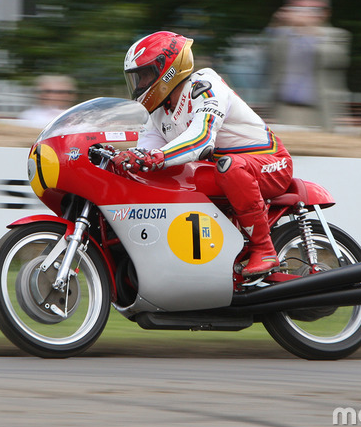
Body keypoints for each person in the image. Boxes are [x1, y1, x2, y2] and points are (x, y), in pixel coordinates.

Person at [117, 31, 293, 277]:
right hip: (224, 170)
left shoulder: (205, 87)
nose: (140, 84)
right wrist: (124, 159)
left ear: (167, 70)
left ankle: (264, 249)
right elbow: (146, 151)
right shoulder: (157, 114)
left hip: (271, 163)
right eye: (137, 78)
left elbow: (201, 140)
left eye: (145, 75)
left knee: (229, 166)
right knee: (172, 178)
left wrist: (155, 158)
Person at [265, 0, 351, 131]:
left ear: (325, 13)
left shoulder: (337, 35)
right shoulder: (282, 35)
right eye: (298, 9)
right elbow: (267, 51)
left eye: (312, 9)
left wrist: (308, 29)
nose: (304, 14)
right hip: (285, 109)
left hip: (321, 110)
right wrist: (277, 22)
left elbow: (335, 59)